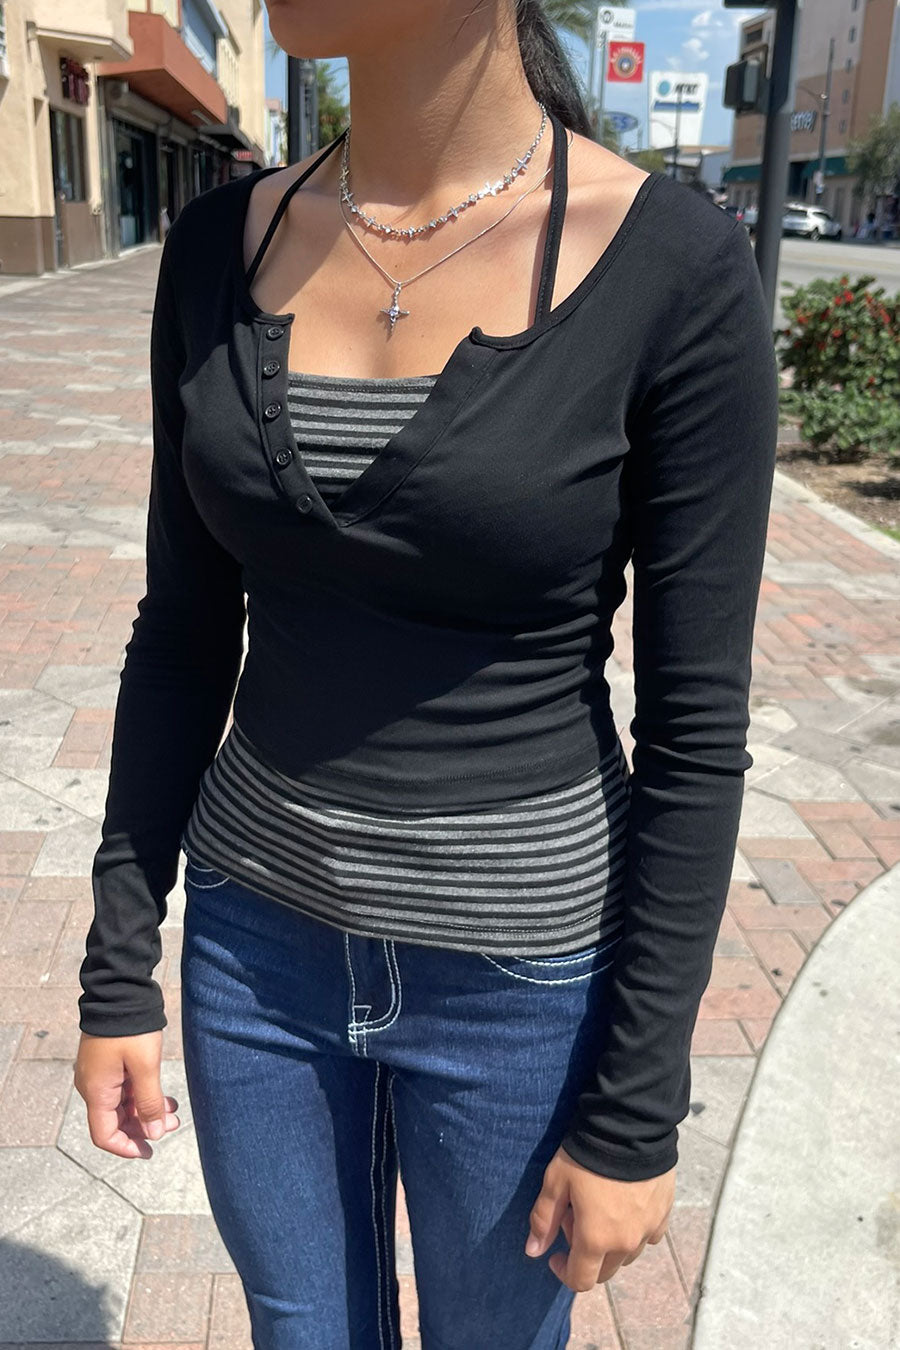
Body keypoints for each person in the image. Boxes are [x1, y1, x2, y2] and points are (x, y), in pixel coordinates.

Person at [73, 1, 778, 1346]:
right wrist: (120, 961)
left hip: (521, 981)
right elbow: (181, 635)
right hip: (253, 953)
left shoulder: (672, 263)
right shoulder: (222, 245)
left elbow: (696, 729)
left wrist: (637, 1108)